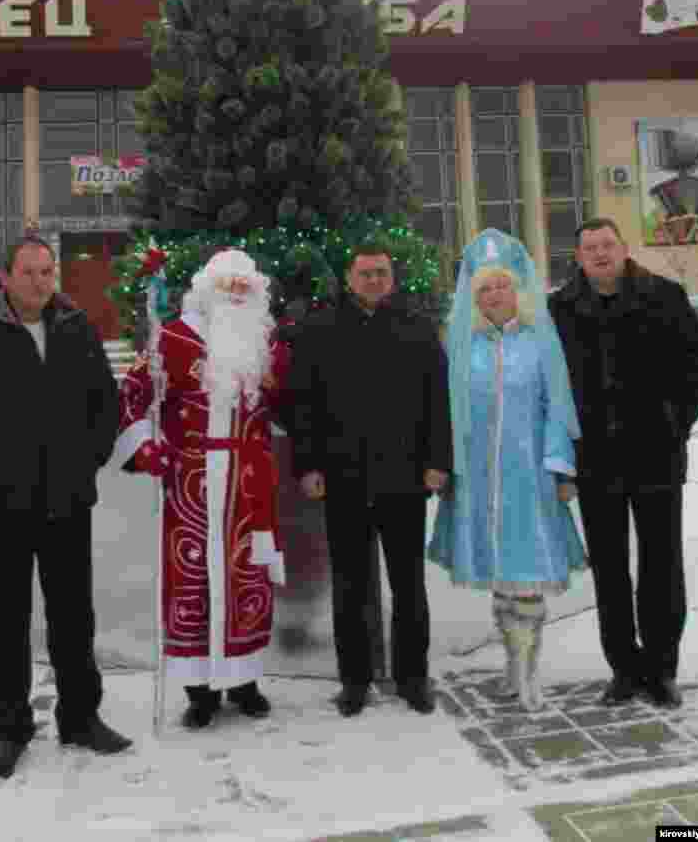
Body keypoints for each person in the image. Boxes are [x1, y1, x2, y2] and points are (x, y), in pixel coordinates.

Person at [0, 236, 131, 779]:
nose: (41, 281)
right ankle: (11, 729)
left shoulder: (76, 329)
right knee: (8, 622)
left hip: (67, 500)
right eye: (30, 272)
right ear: (7, 276)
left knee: (72, 616)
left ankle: (81, 717)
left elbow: (104, 404)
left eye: (47, 271)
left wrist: (88, 458)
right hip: (3, 505)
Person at [115, 248, 291, 729]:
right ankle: (199, 691)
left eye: (244, 286)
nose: (236, 293)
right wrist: (146, 447)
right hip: (190, 477)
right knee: (192, 578)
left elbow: (291, 401)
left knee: (245, 578)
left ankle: (245, 679)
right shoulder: (171, 337)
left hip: (248, 480)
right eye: (227, 285)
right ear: (206, 290)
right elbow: (132, 395)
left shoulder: (268, 343)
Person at [549, 217, 698, 708]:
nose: (600, 253)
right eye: (589, 247)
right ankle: (623, 667)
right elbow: (549, 384)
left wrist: (673, 420)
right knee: (610, 566)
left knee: (661, 562)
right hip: (595, 459)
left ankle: (662, 667)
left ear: (624, 249)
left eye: (607, 244)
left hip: (655, 454)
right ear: (577, 257)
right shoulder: (560, 309)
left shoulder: (664, 296)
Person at [288, 244, 452, 717]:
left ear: (392, 278)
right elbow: (303, 407)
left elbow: (437, 401)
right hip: (343, 480)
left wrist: (437, 460)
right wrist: (309, 466)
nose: (374, 280)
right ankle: (354, 680)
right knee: (350, 586)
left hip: (405, 478)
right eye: (365, 273)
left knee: (408, 585)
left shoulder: (417, 329)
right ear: (349, 277)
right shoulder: (319, 331)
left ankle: (412, 676)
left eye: (382, 273)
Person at [429, 230, 587, 711]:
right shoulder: (462, 348)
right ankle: (511, 668)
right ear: (474, 298)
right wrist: (447, 468)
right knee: (500, 580)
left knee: (527, 576)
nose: (494, 295)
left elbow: (557, 407)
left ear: (517, 289)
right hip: (477, 481)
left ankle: (530, 673)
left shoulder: (539, 345)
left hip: (530, 479)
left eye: (501, 285)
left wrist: (561, 469)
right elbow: (444, 412)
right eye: (484, 289)